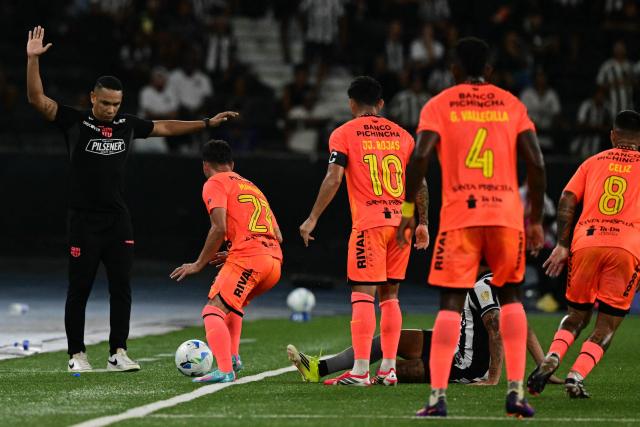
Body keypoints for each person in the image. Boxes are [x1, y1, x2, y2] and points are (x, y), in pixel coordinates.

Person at [25, 26, 238, 373]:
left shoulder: (126, 124)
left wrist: (206, 122)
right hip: (83, 219)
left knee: (121, 287)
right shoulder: (75, 122)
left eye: (116, 104)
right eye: (105, 103)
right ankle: (76, 355)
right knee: (79, 288)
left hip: (117, 218)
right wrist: (33, 60)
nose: (111, 109)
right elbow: (37, 100)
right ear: (92, 98)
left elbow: (165, 127)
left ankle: (117, 353)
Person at [397, 37, 546, 418]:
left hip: (461, 214)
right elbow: (537, 163)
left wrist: (409, 209)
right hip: (505, 214)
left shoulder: (440, 104)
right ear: (490, 71)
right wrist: (534, 220)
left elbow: (420, 158)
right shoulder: (511, 104)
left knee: (450, 303)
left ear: (454, 69)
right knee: (512, 297)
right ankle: (516, 393)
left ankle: (437, 399)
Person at [299, 76, 428, 386]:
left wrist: (313, 217)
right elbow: (420, 181)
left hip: (370, 223)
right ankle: (388, 369)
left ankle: (359, 371)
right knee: (391, 296)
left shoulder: (343, 133)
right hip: (403, 224)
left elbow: (333, 179)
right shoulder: (403, 136)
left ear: (351, 103)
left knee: (362, 295)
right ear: (380, 104)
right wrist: (422, 222)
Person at [527, 110, 640, 399]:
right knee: (607, 325)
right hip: (627, 247)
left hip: (586, 242)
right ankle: (575, 377)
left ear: (613, 135)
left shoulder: (592, 162)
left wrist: (563, 244)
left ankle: (553, 355)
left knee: (576, 316)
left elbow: (567, 198)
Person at [288, 273, 561, 385]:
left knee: (393, 373)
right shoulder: (505, 284)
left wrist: (492, 377)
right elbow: (524, 327)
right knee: (387, 341)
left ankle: (364, 379)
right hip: (452, 343)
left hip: (465, 364)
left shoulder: (486, 287)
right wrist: (543, 368)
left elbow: (496, 330)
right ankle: (318, 369)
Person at [170, 140, 283, 384]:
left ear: (205, 166)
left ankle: (224, 369)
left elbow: (218, 228)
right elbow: (279, 234)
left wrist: (199, 263)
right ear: (231, 164)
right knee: (232, 305)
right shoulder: (252, 186)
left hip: (250, 258)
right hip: (273, 263)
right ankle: (231, 357)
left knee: (212, 310)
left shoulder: (214, 182)